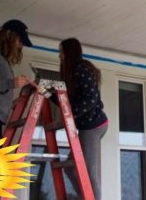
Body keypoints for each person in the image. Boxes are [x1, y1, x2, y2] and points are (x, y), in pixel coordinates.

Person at [58, 38, 109, 200]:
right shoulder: (72, 72)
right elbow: (67, 100)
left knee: (89, 169)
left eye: (61, 52)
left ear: (68, 52)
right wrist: (47, 93)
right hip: (86, 126)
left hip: (93, 125)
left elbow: (91, 98)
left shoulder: (82, 69)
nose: (59, 56)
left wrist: (71, 114)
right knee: (70, 168)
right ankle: (86, 196)